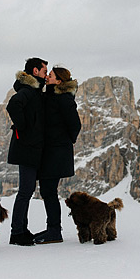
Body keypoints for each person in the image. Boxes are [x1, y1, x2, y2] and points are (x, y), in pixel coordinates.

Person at [32, 65, 81, 244]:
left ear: (59, 81)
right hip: (51, 152)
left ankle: (54, 231)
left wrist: (63, 142)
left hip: (57, 153)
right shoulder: (50, 96)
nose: (47, 77)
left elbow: (75, 125)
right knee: (47, 191)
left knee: (49, 191)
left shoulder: (64, 99)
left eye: (50, 75)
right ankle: (52, 229)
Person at [6, 57, 48, 245]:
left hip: (29, 148)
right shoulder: (28, 91)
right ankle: (17, 233)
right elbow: (13, 105)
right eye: (44, 70)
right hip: (27, 148)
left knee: (28, 190)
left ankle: (22, 229)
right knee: (25, 191)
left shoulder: (34, 91)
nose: (46, 74)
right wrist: (24, 129)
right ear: (35, 71)